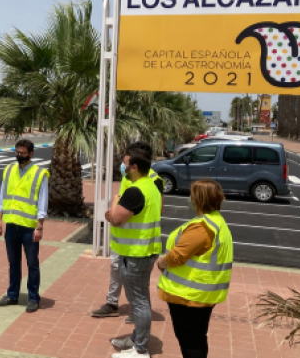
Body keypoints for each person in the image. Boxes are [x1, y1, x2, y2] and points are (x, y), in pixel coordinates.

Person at [157, 180, 233, 358]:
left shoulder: (202, 227)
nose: (189, 198)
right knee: (196, 338)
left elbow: (177, 256)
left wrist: (161, 263)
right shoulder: (216, 221)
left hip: (189, 296)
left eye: (192, 195)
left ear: (199, 200)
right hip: (202, 294)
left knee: (190, 341)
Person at [93, 142, 165, 324]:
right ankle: (112, 303)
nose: (123, 166)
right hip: (123, 239)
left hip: (138, 243)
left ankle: (137, 318)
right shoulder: (131, 176)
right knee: (116, 269)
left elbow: (156, 209)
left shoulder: (154, 181)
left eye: (126, 162)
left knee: (138, 287)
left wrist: (116, 207)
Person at [105, 147, 162, 358]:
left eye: (125, 164)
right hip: (145, 251)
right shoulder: (152, 186)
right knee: (141, 299)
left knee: (139, 302)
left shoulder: (135, 191)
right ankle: (138, 339)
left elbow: (116, 218)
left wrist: (115, 200)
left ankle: (140, 349)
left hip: (135, 254)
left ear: (134, 167)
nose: (123, 167)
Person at [0, 139, 49, 313]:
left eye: (22, 153)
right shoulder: (9, 170)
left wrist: (39, 227)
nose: (19, 155)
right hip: (12, 226)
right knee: (13, 262)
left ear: (31, 154)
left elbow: (42, 202)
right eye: (17, 152)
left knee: (32, 263)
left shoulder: (40, 174)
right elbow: (2, 196)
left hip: (29, 227)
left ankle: (33, 298)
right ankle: (12, 295)